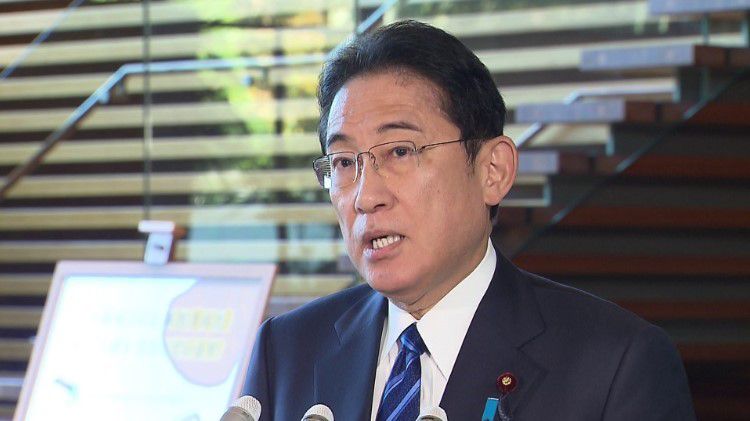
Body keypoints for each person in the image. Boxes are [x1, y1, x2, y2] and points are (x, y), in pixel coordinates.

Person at [242, 20, 696, 420]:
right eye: (344, 162)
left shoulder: (615, 365)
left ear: (492, 171)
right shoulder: (288, 350)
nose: (366, 197)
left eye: (400, 151)